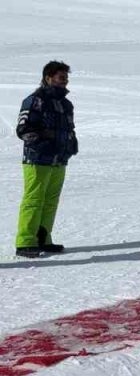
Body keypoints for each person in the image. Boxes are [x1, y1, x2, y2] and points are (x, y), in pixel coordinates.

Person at [14, 61, 78, 258]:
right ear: (48, 78)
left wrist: (71, 143)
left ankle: (43, 238)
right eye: (61, 78)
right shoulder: (35, 100)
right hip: (38, 158)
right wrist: (44, 138)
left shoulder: (66, 104)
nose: (64, 82)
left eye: (66, 78)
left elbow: (69, 128)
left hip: (59, 159)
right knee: (34, 199)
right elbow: (23, 130)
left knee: (50, 200)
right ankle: (25, 241)